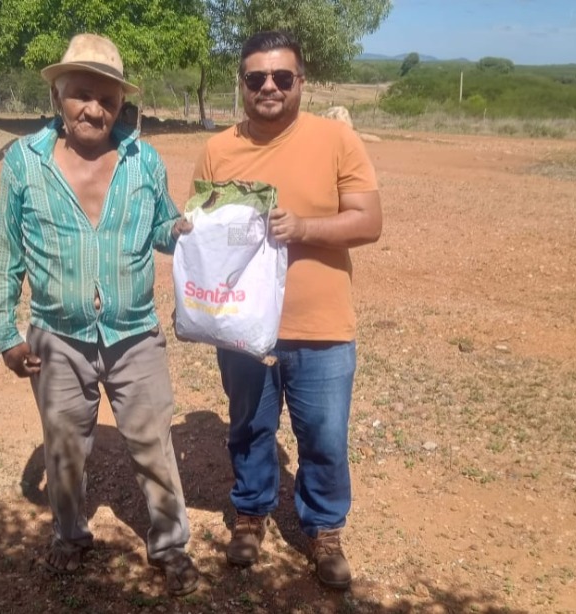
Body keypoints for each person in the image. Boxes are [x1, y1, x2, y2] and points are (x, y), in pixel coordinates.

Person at [0, 33, 198, 597]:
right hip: (57, 338)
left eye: (107, 99)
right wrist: (7, 334)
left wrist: (182, 231)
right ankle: (69, 534)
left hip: (134, 334)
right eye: (82, 94)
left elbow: (161, 228)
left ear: (119, 103)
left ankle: (171, 543)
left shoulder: (143, 159)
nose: (94, 109)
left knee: (154, 442)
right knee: (65, 450)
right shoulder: (25, 165)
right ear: (59, 95)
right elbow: (6, 254)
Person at [192, 30, 382, 589]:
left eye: (281, 77)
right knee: (249, 427)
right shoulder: (218, 148)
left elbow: (368, 223)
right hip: (242, 325)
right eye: (256, 78)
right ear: (243, 84)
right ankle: (250, 514)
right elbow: (207, 228)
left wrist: (303, 228)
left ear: (302, 81)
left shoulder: (337, 140)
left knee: (323, 435)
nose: (268, 87)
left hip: (320, 327)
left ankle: (323, 530)